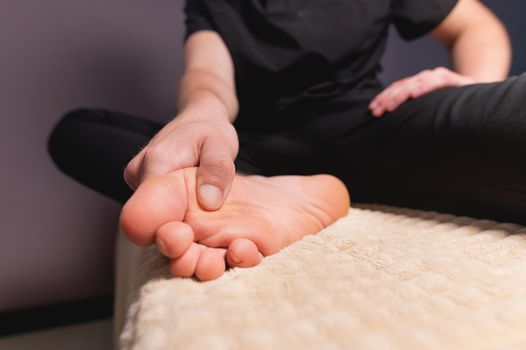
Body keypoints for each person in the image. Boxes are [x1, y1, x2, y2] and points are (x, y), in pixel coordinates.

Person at [48, 0, 525, 281]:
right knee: (77, 131)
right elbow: (207, 73)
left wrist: (473, 81)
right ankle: (263, 189)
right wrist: (201, 116)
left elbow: (474, 24)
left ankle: (291, 187)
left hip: (370, 125)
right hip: (254, 153)